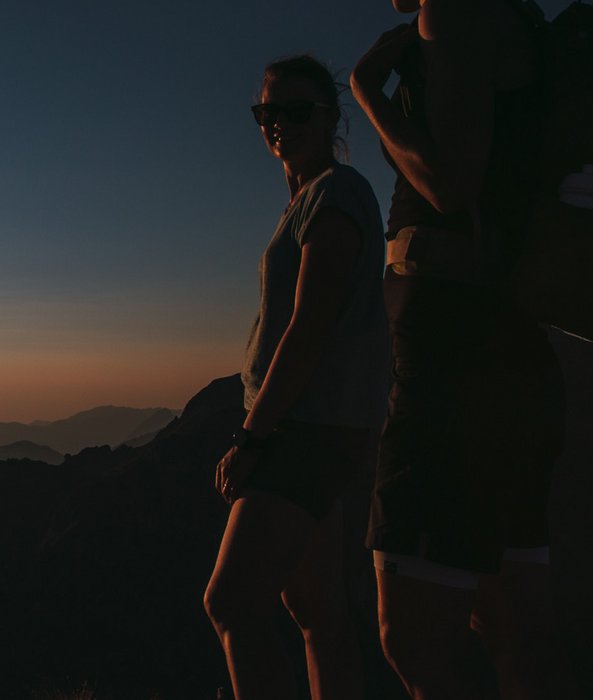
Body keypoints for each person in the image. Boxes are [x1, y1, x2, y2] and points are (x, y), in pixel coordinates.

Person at [350, 1, 575, 697]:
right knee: (513, 630)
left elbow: (449, 184)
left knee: (414, 642)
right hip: (511, 345)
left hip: (450, 348)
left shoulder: (449, 11)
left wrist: (366, 92)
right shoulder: (515, 23)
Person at [203, 54, 391, 700]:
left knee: (231, 602)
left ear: (332, 117)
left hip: (303, 429)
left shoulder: (336, 196)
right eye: (268, 112)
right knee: (317, 611)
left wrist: (253, 437)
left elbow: (309, 329)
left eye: (297, 110)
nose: (279, 123)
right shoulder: (312, 199)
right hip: (320, 425)